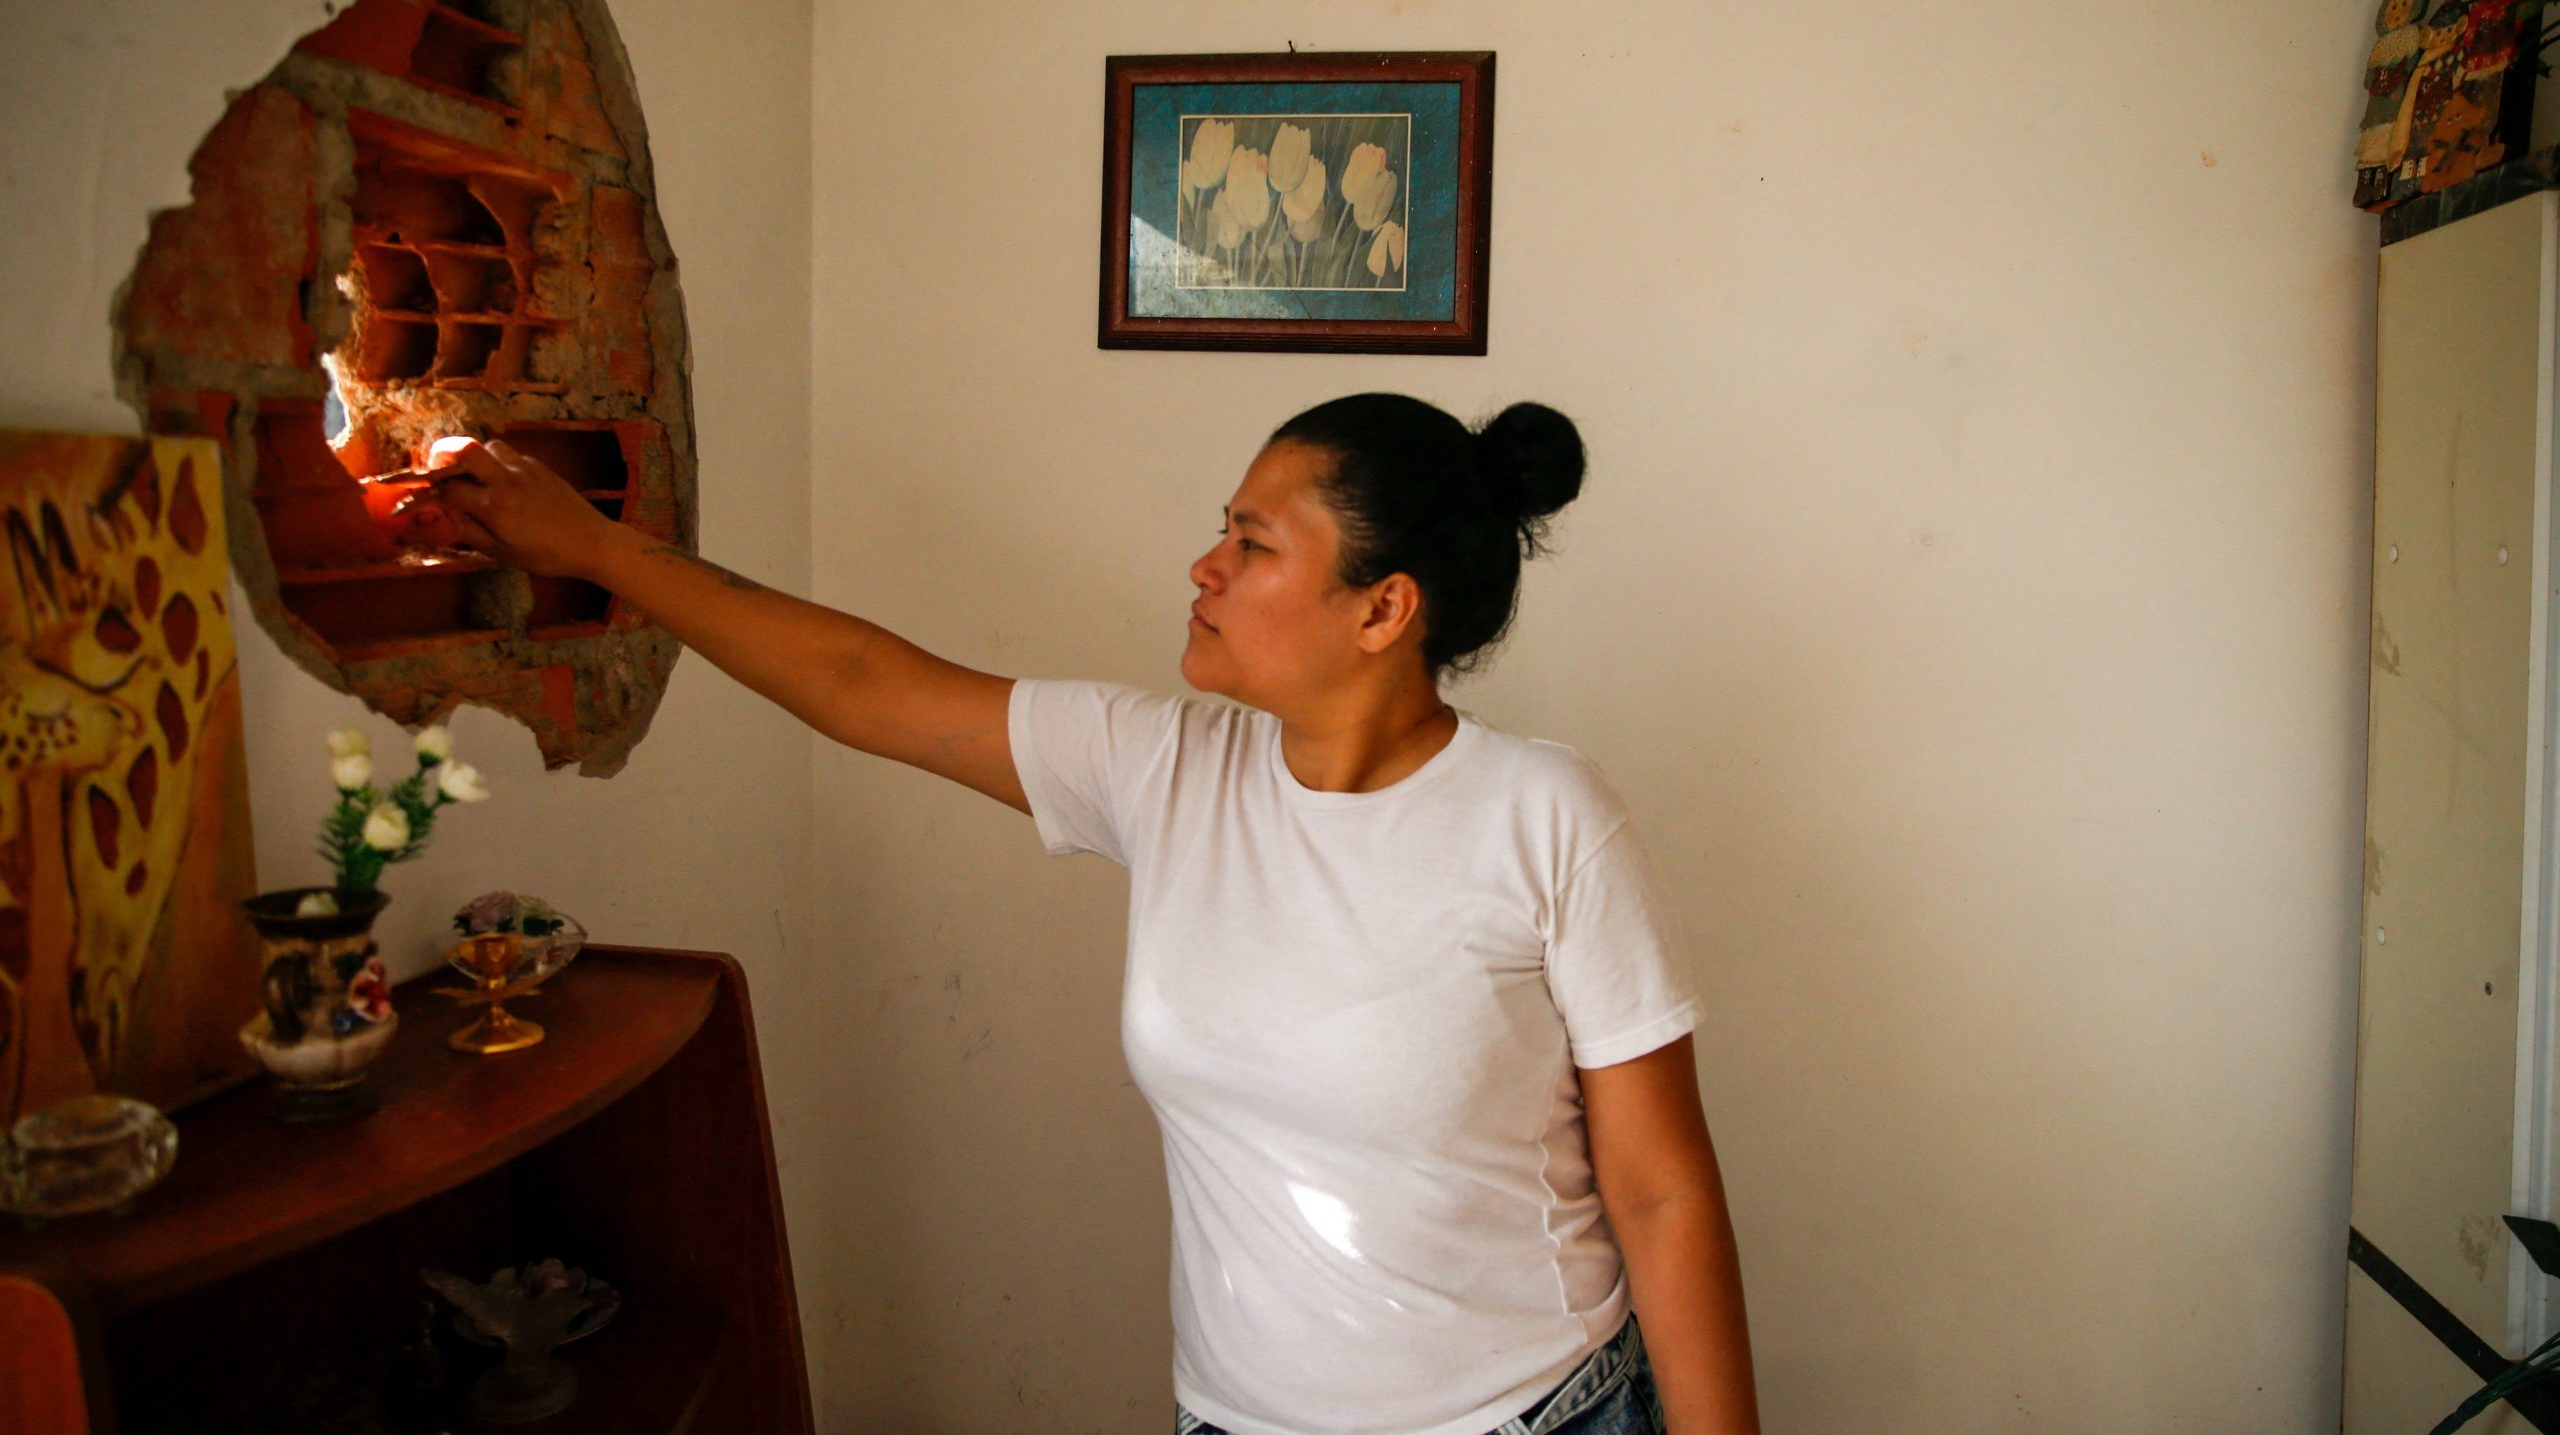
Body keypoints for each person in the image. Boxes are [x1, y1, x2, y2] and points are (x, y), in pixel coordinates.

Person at [429, 393, 1761, 1435]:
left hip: (1528, 1412)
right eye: (1220, 525)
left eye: (1251, 543)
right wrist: (594, 548)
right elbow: (859, 680)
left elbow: (1657, 1189)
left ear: (1384, 607)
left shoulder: (1546, 815)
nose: (1204, 563)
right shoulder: (1164, 769)